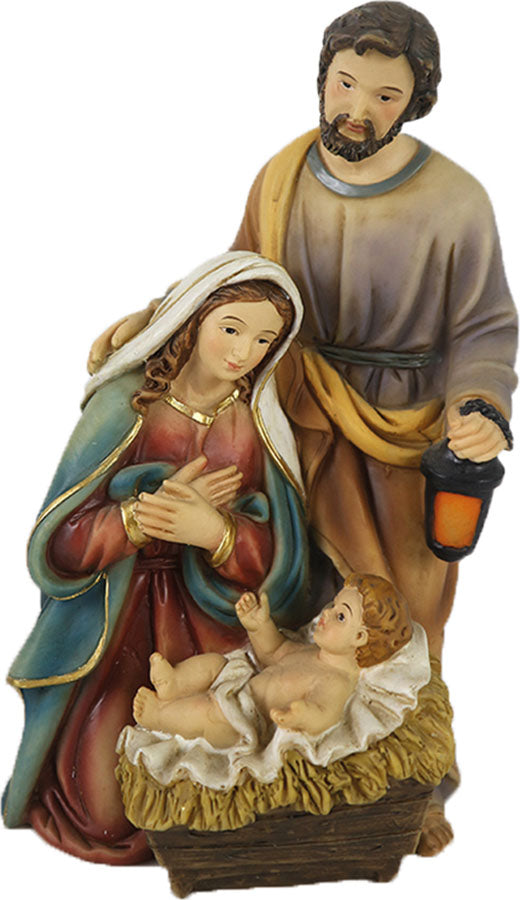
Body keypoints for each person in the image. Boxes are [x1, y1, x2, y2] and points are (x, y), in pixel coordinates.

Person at [85, 2, 517, 852]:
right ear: (322, 78)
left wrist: (478, 407)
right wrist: (156, 323)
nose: (357, 108)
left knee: (400, 609)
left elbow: (484, 327)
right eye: (344, 84)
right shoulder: (283, 175)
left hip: (402, 431)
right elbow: (240, 281)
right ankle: (276, 762)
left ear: (417, 101)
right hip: (293, 415)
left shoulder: (456, 201)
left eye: (384, 95)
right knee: (289, 592)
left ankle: (409, 781)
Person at [3, 251, 310, 864]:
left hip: (215, 628)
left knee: (246, 769)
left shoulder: (256, 427)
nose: (244, 352)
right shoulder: (125, 407)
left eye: (264, 340)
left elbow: (282, 565)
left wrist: (215, 532)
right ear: (191, 320)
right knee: (109, 808)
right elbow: (59, 545)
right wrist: (139, 520)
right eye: (231, 328)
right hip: (118, 624)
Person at [121, 572, 430, 792]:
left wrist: (300, 715)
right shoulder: (310, 652)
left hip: (241, 720)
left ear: (360, 638)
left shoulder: (336, 681)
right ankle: (175, 683)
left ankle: (159, 716)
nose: (327, 613)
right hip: (240, 687)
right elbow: (273, 652)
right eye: (334, 605)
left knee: (207, 712)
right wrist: (259, 625)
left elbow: (325, 715)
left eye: (341, 616)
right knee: (217, 664)